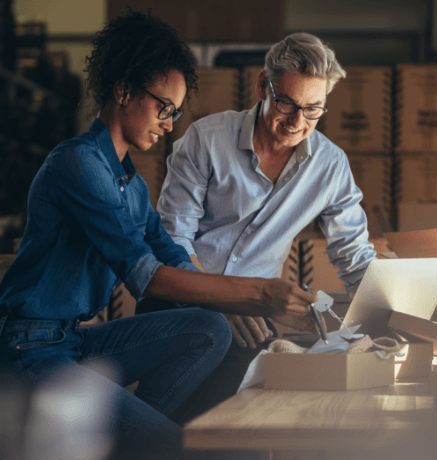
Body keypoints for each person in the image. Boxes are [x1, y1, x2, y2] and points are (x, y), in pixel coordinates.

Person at [0, 11, 321, 460]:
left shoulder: (130, 185)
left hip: (69, 343)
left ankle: (105, 456)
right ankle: (121, 456)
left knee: (209, 329)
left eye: (175, 113)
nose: (168, 123)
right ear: (122, 91)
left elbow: (172, 254)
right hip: (23, 351)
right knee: (180, 454)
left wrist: (240, 311)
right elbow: (147, 278)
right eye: (163, 107)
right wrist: (259, 293)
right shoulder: (77, 166)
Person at [156, 32, 377, 424]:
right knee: (192, 424)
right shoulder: (206, 141)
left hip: (253, 318)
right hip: (180, 302)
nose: (298, 122)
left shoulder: (329, 166)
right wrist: (221, 300)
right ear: (263, 86)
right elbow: (172, 240)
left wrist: (387, 311)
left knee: (251, 421)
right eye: (288, 103)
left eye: (313, 110)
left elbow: (355, 256)